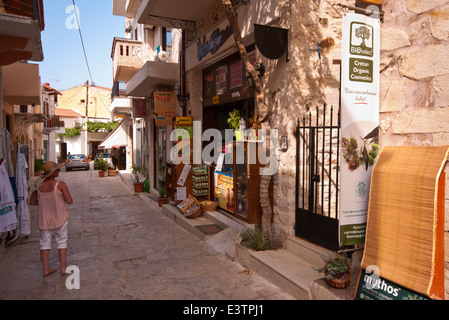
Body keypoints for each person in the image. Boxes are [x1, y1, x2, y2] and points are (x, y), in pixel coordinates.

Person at [29, 161, 73, 277]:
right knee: (62, 242)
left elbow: (32, 202)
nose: (59, 171)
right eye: (57, 170)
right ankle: (63, 269)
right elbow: (69, 201)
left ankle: (45, 269)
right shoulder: (60, 184)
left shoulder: (38, 186)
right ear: (53, 173)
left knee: (44, 244)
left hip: (44, 219)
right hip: (60, 218)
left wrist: (44, 201)